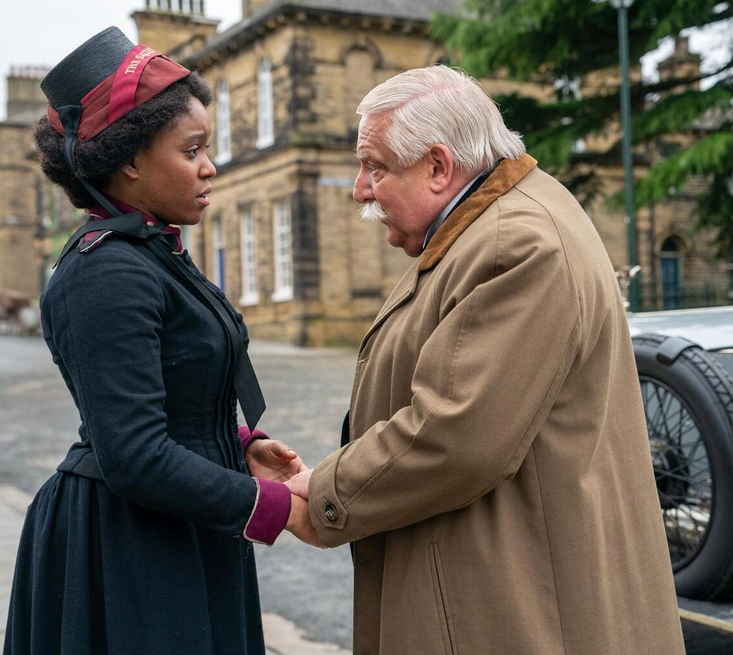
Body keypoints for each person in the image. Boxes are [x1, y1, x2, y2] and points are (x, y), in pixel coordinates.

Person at [287, 66, 685, 654]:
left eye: (375, 167)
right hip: (496, 583)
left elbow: (454, 435)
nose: (360, 189)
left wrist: (322, 498)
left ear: (439, 167)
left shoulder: (516, 245)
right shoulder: (483, 228)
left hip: (514, 609)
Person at [5, 27, 318, 655]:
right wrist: (275, 508)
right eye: (192, 149)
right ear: (129, 160)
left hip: (182, 525)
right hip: (129, 549)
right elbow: (135, 453)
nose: (209, 166)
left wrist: (237, 445)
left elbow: (169, 391)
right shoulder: (106, 272)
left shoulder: (150, 253)